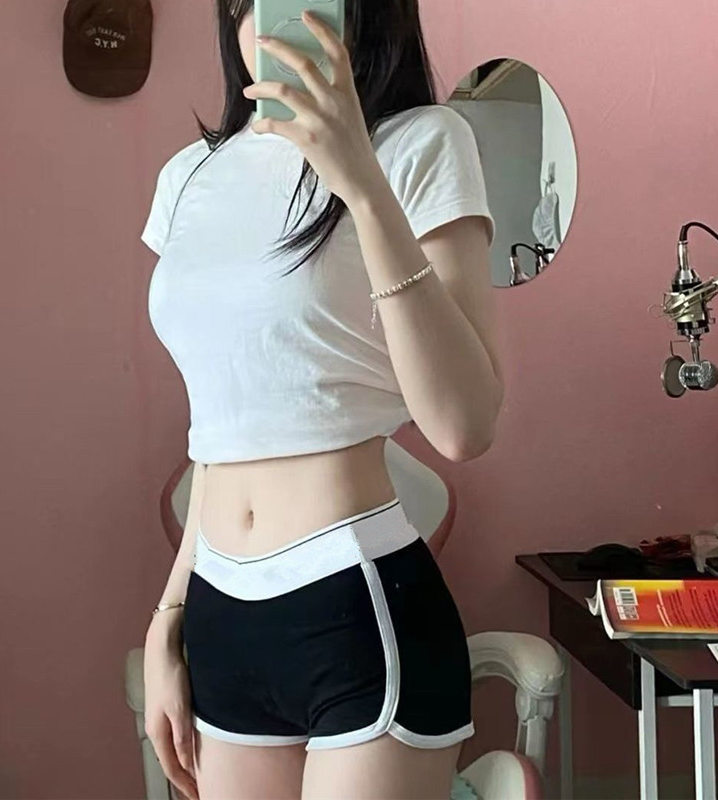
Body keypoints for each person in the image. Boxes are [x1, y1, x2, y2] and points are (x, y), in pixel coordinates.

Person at [141, 1, 503, 798]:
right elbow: (223, 435)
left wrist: (361, 183)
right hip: (220, 611)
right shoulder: (189, 176)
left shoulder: (421, 143)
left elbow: (464, 425)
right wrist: (169, 618)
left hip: (358, 602)